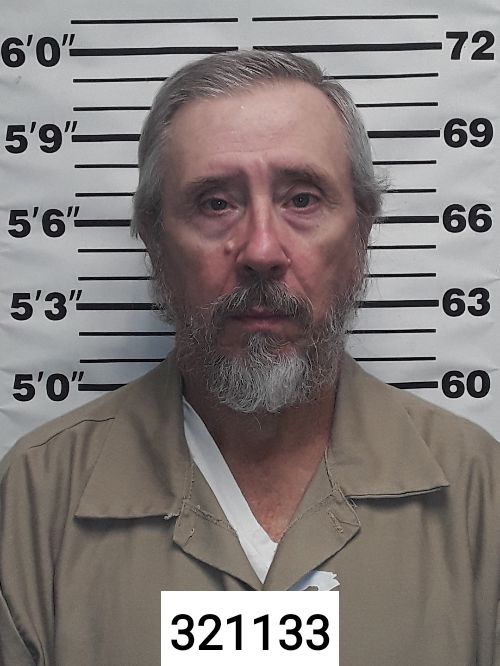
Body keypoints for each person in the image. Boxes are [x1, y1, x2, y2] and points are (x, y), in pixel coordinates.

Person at [0, 50, 499, 666]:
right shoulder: (37, 498)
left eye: (302, 199)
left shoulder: (479, 492)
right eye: (216, 203)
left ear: (362, 232)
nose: (261, 250)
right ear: (154, 239)